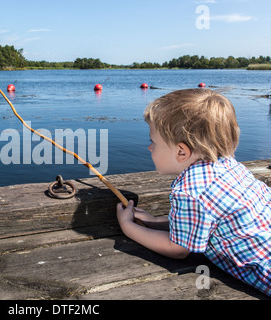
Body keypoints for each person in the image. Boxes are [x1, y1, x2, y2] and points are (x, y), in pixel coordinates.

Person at [116, 88, 271, 296]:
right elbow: (209, 220)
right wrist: (156, 221)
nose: (150, 148)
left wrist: (128, 227)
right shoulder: (231, 167)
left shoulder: (189, 191)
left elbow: (178, 249)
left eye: (153, 141)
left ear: (181, 151)